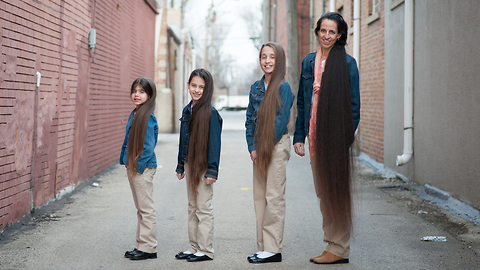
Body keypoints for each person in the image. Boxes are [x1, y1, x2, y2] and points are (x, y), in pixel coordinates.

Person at [293, 12, 360, 265]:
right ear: (317, 32)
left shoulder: (347, 63)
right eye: (323, 30)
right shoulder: (309, 62)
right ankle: (331, 244)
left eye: (332, 32)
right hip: (313, 137)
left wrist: (343, 141)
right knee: (324, 193)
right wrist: (299, 136)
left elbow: (354, 107)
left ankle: (340, 248)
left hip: (335, 139)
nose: (327, 35)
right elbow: (302, 100)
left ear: (340, 34)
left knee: (336, 193)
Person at [245, 42, 294, 264]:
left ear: (279, 60)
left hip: (275, 146)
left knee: (273, 197)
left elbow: (280, 121)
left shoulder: (284, 88)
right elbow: (249, 120)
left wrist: (263, 146)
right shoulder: (255, 87)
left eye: (272, 56)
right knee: (259, 198)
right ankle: (262, 246)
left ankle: (273, 249)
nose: (267, 60)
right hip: (259, 148)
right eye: (263, 56)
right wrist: (252, 147)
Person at [174, 68, 223, 262]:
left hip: (203, 167)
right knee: (192, 207)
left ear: (207, 89)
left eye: (201, 87)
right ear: (188, 85)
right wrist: (180, 165)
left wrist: (212, 170)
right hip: (189, 164)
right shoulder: (188, 110)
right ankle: (194, 247)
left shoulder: (211, 114)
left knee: (203, 208)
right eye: (193, 85)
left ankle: (205, 250)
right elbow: (182, 140)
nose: (197, 90)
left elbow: (214, 146)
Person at [120, 77, 159, 260]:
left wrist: (138, 167)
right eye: (135, 91)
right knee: (140, 208)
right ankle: (140, 245)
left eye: (142, 92)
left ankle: (149, 248)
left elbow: (149, 147)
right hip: (134, 166)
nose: (137, 95)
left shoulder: (148, 117)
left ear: (149, 95)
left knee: (146, 209)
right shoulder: (135, 113)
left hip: (142, 168)